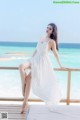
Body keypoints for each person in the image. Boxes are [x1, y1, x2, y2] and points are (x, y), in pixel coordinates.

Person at [19, 23, 67, 114]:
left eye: (50, 28)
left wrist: (60, 65)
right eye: (47, 27)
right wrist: (31, 59)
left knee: (28, 79)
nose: (47, 29)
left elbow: (55, 54)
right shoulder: (41, 38)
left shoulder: (51, 42)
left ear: (53, 31)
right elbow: (36, 49)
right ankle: (23, 89)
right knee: (21, 66)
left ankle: (25, 103)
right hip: (34, 59)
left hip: (41, 63)